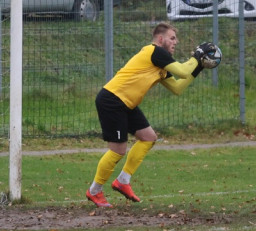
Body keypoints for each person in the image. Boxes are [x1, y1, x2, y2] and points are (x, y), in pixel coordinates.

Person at [86, 22, 218, 207]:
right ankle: (94, 191)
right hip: (112, 100)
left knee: (148, 137)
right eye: (172, 38)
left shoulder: (161, 63)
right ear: (160, 39)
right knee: (118, 150)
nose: (175, 42)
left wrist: (199, 66)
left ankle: (123, 181)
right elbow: (181, 70)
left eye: (176, 39)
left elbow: (178, 87)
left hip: (126, 103)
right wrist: (197, 56)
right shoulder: (154, 51)